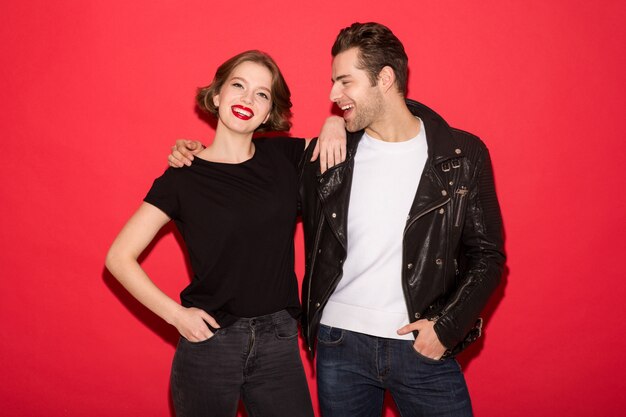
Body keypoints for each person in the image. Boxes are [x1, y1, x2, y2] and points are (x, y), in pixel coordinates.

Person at [170, 22, 505, 417]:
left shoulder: (461, 154)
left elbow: (487, 255)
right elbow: (248, 193)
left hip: (422, 345)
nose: (333, 95)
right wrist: (196, 157)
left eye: (345, 82)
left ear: (384, 78)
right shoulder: (327, 159)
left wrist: (446, 328)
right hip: (339, 345)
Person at [105, 50, 345, 417]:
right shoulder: (182, 177)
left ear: (269, 113)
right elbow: (118, 258)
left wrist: (336, 124)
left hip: (278, 339)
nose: (248, 99)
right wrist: (176, 315)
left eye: (262, 94)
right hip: (210, 342)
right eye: (238, 86)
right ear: (216, 96)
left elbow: (351, 147)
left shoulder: (285, 156)